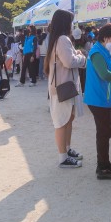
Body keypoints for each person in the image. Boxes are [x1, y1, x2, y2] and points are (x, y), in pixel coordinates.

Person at [45, 10, 86, 168]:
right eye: (70, 21)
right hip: (63, 86)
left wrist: (75, 54)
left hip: (63, 85)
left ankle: (67, 150)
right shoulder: (62, 39)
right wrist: (81, 58)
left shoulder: (58, 39)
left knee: (68, 118)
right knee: (62, 121)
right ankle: (63, 157)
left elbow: (65, 59)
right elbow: (69, 62)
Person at [84, 24, 111, 180]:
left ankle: (105, 163)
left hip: (101, 98)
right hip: (98, 98)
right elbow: (105, 75)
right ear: (105, 38)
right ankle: (103, 168)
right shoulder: (97, 53)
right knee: (103, 133)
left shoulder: (102, 51)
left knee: (105, 132)